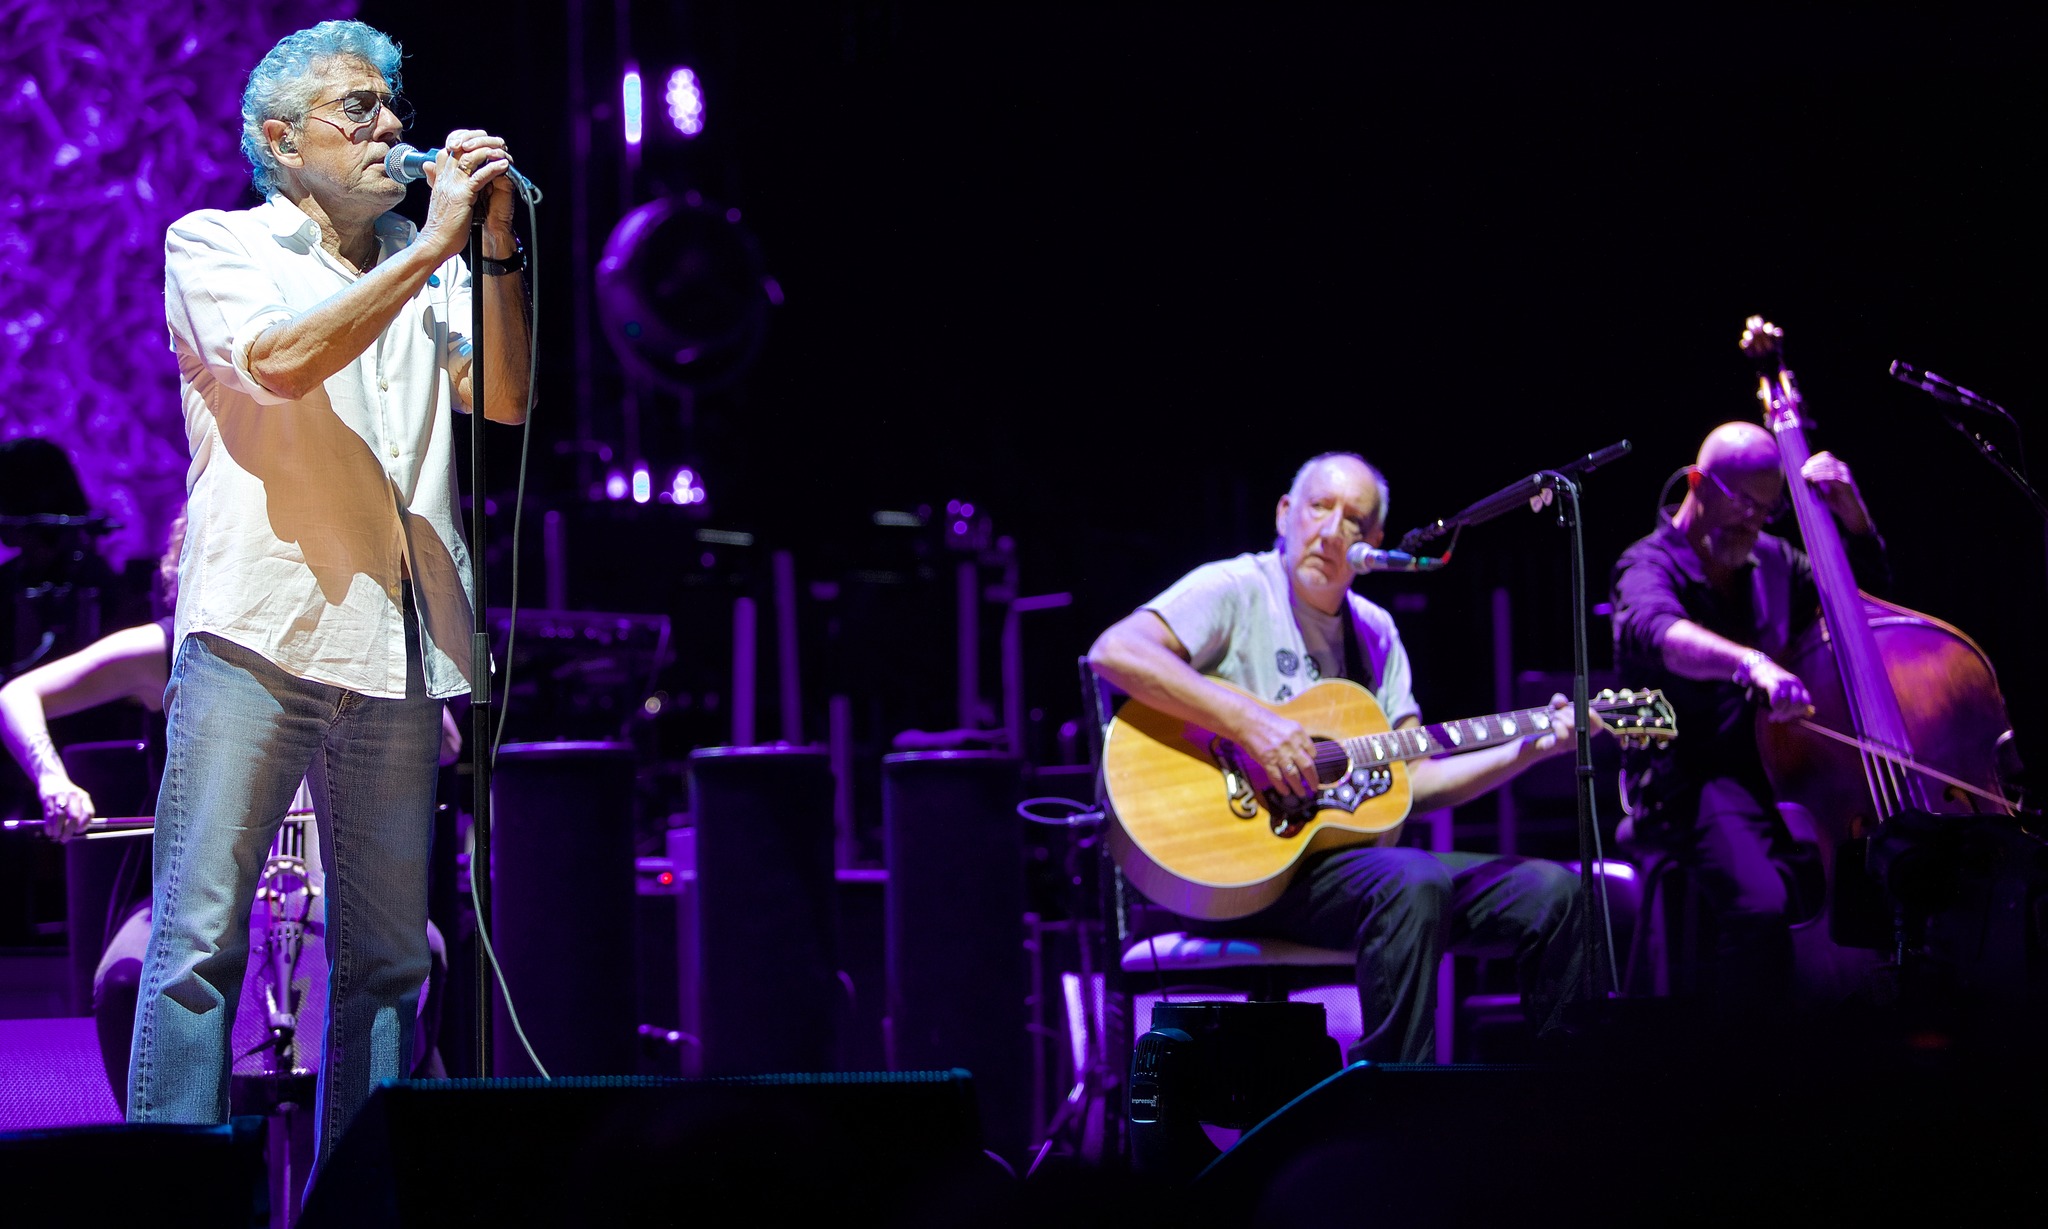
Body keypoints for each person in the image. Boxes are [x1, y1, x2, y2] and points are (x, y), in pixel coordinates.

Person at [131, 17, 528, 1167]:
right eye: (358, 108)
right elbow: (285, 362)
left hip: (398, 646)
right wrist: (429, 252)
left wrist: (488, 245)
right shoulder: (216, 240)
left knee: (390, 959)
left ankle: (364, 1197)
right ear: (278, 139)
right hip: (257, 629)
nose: (391, 127)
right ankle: (171, 1197)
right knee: (200, 941)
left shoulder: (427, 247)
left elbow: (501, 398)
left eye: (392, 104)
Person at [1088, 452, 1601, 1062]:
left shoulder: (1375, 632)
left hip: (1343, 876)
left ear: (1375, 542)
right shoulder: (1235, 589)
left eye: (1354, 520)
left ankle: (1566, 1113)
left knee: (1555, 894)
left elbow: (1417, 778)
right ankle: (1392, 1118)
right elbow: (1115, 650)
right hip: (1231, 872)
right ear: (1285, 514)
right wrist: (1252, 724)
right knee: (1412, 879)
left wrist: (1532, 748)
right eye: (1318, 508)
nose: (1331, 532)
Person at [0, 515, 460, 1108]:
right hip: (196, 888)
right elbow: (18, 695)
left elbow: (445, 742)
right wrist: (52, 779)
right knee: (127, 977)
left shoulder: (337, 649)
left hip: (324, 887)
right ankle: (172, 1149)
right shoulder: (172, 647)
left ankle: (388, 1145)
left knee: (423, 955)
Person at [1609, 421, 1885, 1013]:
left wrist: (1854, 524)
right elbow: (1658, 632)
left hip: (1784, 774)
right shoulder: (1646, 564)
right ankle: (1741, 1072)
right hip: (1692, 778)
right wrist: (1749, 664)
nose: (1754, 523)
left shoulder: (1774, 559)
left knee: (1877, 887)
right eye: (1742, 506)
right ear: (1698, 484)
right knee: (1763, 909)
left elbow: (1862, 612)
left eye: (1767, 509)